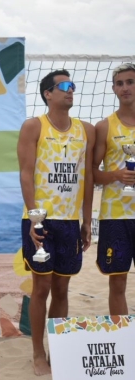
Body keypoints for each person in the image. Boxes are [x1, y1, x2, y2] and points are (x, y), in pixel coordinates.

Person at [17, 69, 95, 376]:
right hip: (41, 219)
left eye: (73, 86)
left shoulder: (86, 130)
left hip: (70, 221)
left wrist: (87, 220)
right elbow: (25, 174)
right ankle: (37, 353)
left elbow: (87, 179)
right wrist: (34, 217)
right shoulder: (34, 126)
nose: (70, 90)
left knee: (62, 289)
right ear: (48, 93)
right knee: (42, 287)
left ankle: (57, 351)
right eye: (64, 86)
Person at [92, 63, 135, 315]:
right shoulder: (105, 126)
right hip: (115, 216)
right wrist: (116, 175)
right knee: (117, 281)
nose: (125, 88)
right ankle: (123, 341)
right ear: (113, 89)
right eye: (120, 84)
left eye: (130, 82)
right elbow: (93, 173)